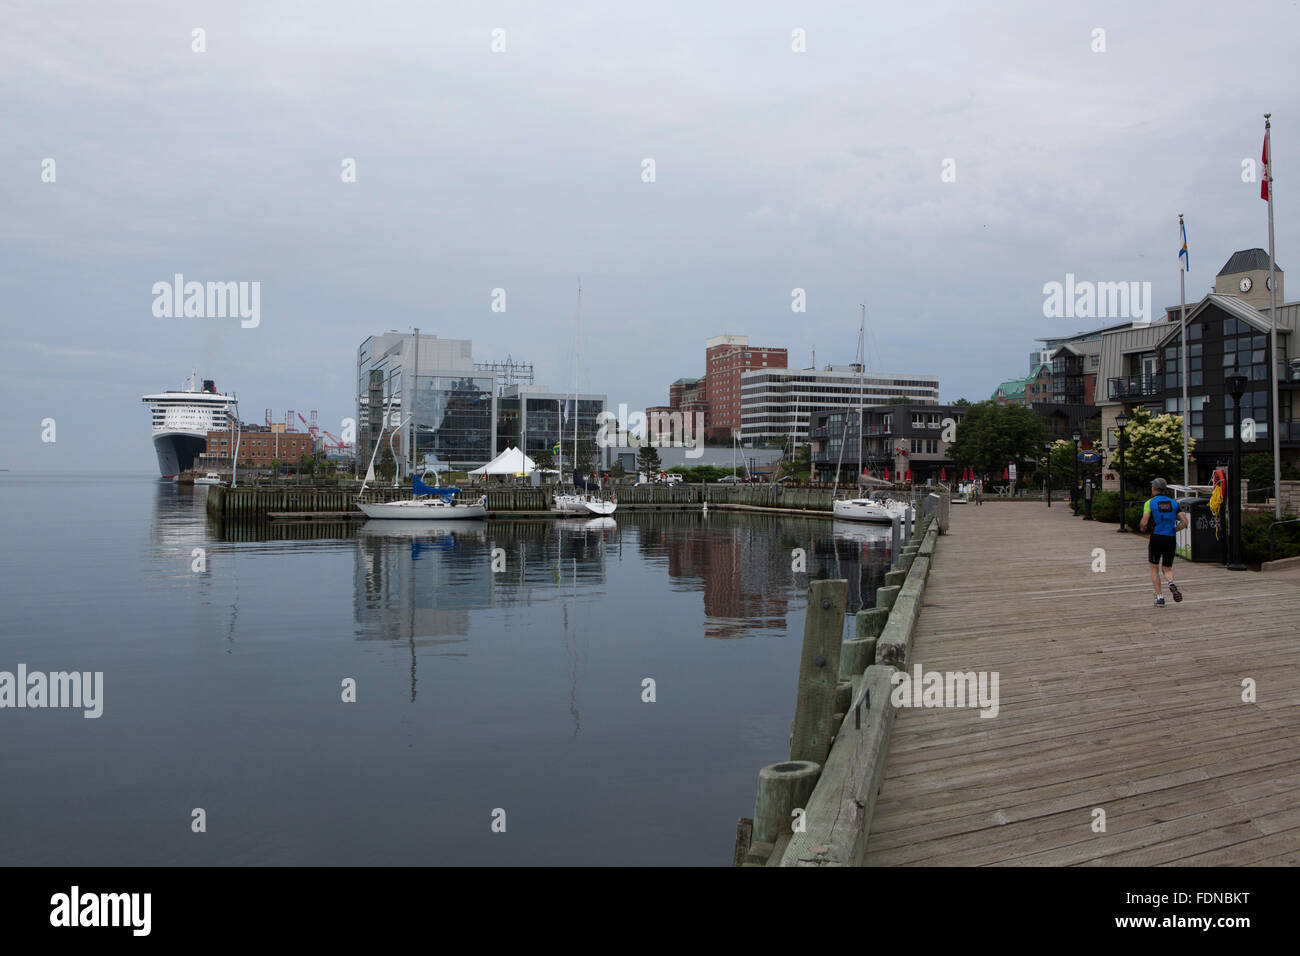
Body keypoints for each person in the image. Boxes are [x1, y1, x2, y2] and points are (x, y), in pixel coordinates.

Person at [1140, 477, 1188, 606]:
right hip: (1170, 538)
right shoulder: (1174, 503)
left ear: (1154, 488)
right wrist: (1174, 530)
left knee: (1154, 568)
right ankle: (1171, 582)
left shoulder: (1150, 503)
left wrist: (1143, 528)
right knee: (1167, 568)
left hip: (1156, 537)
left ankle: (1160, 598)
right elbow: (1184, 522)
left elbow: (1144, 522)